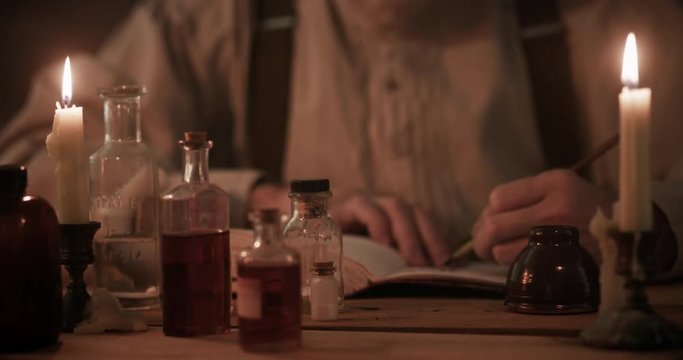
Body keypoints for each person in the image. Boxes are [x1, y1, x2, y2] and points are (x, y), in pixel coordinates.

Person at [0, 0, 681, 276]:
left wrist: (642, 221)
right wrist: (250, 203)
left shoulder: (597, 17)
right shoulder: (217, 18)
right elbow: (29, 170)